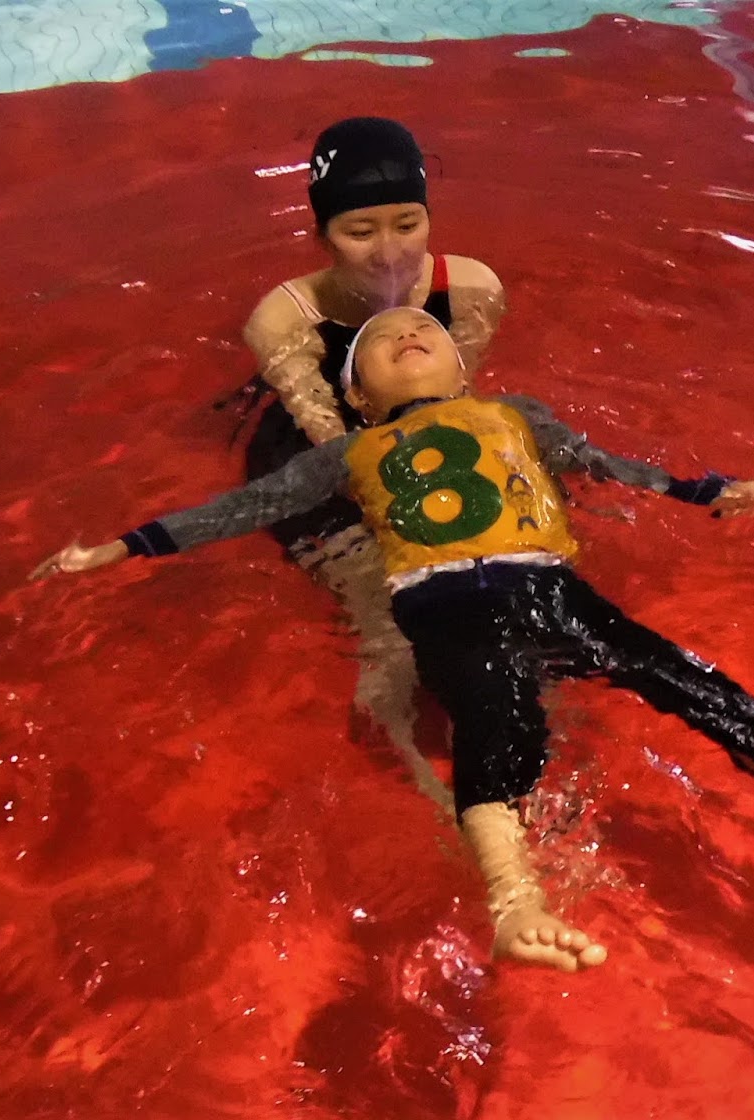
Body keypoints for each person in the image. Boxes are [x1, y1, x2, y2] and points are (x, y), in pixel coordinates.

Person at [33, 308, 754, 974]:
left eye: (424, 330)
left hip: (554, 589)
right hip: (443, 605)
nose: (407, 333)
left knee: (698, 684)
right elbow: (244, 507)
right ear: (358, 397)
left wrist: (720, 492)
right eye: (381, 342)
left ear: (465, 370)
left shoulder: (518, 416)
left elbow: (612, 466)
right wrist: (117, 548)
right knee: (499, 735)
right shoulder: (348, 453)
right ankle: (516, 903)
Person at [237, 117, 505, 808]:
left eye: (408, 224)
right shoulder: (283, 320)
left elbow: (454, 394)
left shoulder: (471, 288)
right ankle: (425, 789)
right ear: (321, 235)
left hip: (423, 438)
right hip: (316, 458)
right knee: (387, 622)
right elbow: (335, 447)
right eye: (360, 231)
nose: (390, 252)